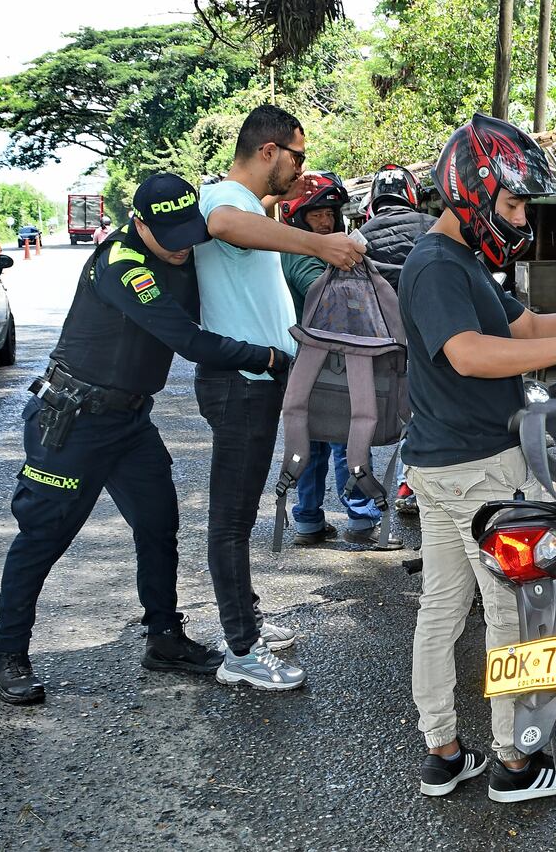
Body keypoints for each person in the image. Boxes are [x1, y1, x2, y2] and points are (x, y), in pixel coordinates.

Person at [0, 173, 290, 705]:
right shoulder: (121, 264)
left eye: (186, 232)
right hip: (74, 421)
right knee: (43, 537)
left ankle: (164, 639)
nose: (181, 248)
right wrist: (265, 357)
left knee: (158, 528)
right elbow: (188, 340)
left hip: (130, 422)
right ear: (139, 224)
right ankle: (8, 652)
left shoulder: (182, 247)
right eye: (168, 236)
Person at [401, 113, 556, 802]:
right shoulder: (435, 264)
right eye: (515, 201)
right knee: (514, 611)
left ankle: (444, 752)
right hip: (478, 470)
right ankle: (514, 762)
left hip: (442, 466)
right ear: (472, 190)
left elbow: (520, 326)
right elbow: (468, 353)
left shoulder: (460, 260)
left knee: (442, 607)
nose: (521, 215)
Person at [193, 104, 366, 691]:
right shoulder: (224, 199)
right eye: (298, 155)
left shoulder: (255, 209)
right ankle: (240, 650)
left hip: (257, 383)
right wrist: (319, 246)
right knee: (231, 521)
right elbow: (220, 224)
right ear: (269, 151)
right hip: (238, 384)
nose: (301, 170)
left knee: (236, 520)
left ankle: (246, 626)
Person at [277, 172, 398, 549]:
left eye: (331, 214)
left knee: (314, 441)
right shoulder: (302, 258)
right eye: (316, 215)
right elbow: (335, 291)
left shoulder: (303, 252)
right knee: (345, 438)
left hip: (314, 364)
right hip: (329, 365)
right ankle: (359, 519)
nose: (327, 222)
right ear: (297, 217)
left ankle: (310, 521)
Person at [356, 163, 438, 515]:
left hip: (377, 346)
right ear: (412, 196)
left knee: (363, 419)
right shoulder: (433, 228)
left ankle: (361, 507)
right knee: (425, 415)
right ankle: (413, 487)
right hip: (430, 342)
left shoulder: (360, 237)